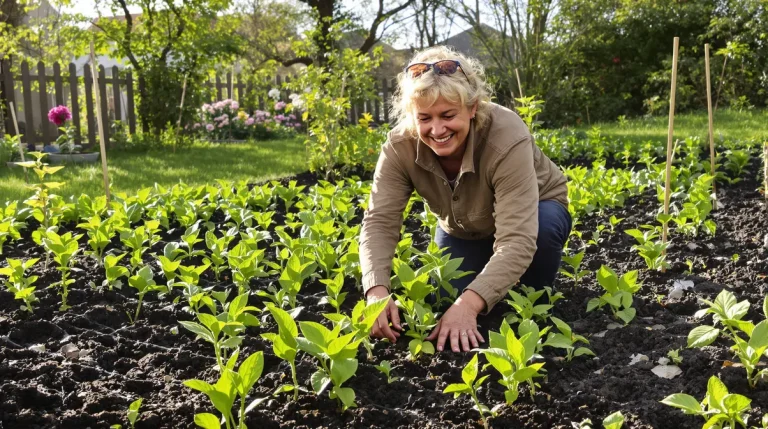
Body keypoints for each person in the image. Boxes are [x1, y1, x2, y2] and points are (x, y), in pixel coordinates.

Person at [359, 46, 572, 354]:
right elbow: (379, 220)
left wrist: (469, 306)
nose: (437, 129)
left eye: (448, 115)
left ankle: (535, 298)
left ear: (472, 108)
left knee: (522, 300)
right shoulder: (399, 146)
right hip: (462, 225)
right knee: (446, 300)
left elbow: (518, 239)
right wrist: (376, 291)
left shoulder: (506, 135)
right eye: (424, 118)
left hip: (534, 213)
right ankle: (489, 274)